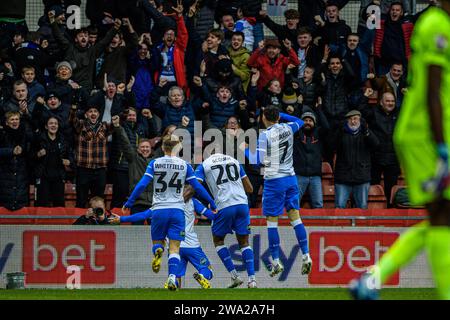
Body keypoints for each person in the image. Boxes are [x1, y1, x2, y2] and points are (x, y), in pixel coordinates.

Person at [350, 1, 450, 300]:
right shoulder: (436, 24)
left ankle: (372, 278)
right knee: (442, 218)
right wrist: (441, 147)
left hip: (431, 133)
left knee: (440, 219)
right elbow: (432, 91)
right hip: (424, 136)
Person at [122, 134, 217, 291]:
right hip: (177, 210)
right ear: (177, 147)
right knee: (174, 248)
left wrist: (130, 202)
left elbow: (142, 184)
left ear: (162, 147)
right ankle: (172, 278)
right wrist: (212, 201)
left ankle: (158, 251)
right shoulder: (185, 165)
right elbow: (198, 187)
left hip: (158, 209)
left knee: (159, 243)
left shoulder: (154, 163)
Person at [242, 106, 312, 277]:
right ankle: (306, 255)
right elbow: (301, 121)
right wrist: (282, 115)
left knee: (272, 221)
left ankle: (276, 261)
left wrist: (243, 148)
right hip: (291, 178)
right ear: (278, 117)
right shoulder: (288, 128)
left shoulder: (265, 135)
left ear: (264, 118)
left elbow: (256, 161)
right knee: (295, 218)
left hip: (274, 181)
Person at [110, 196, 216, 289]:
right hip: (192, 246)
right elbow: (210, 215)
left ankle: (172, 286)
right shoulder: (193, 202)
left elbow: (143, 215)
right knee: (207, 269)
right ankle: (202, 276)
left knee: (175, 276)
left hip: (174, 246)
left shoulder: (163, 203)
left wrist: (122, 219)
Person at [195, 151, 255, 288]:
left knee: (218, 240)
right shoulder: (234, 160)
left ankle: (235, 276)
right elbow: (250, 188)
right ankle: (252, 280)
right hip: (242, 204)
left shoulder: (205, 165)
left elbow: (195, 186)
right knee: (244, 242)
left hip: (224, 205)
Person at [333, 110, 379, 209]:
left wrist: (366, 131)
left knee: (362, 207)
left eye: (355, 119)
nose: (353, 121)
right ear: (346, 121)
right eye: (350, 119)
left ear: (360, 120)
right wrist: (339, 131)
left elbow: (376, 144)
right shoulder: (341, 132)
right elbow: (332, 146)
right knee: (340, 206)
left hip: (362, 177)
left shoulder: (365, 132)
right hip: (343, 177)